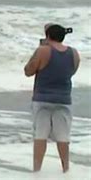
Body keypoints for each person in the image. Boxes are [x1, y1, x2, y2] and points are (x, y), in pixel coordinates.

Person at [24, 24, 80, 173]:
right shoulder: (74, 53)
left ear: (48, 36)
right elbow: (71, 72)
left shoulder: (43, 51)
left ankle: (37, 170)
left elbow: (28, 71)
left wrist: (38, 51)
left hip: (42, 99)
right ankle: (66, 170)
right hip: (63, 99)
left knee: (40, 135)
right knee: (63, 137)